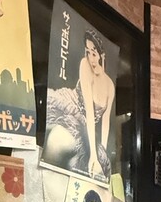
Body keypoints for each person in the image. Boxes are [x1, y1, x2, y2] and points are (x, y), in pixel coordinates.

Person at [43, 30, 115, 181]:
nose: (91, 58)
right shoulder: (85, 65)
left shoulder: (110, 85)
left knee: (94, 162)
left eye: (94, 53)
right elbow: (89, 112)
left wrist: (101, 155)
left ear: (102, 55)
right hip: (70, 106)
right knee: (56, 137)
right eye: (88, 52)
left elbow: (105, 122)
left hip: (85, 125)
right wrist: (93, 156)